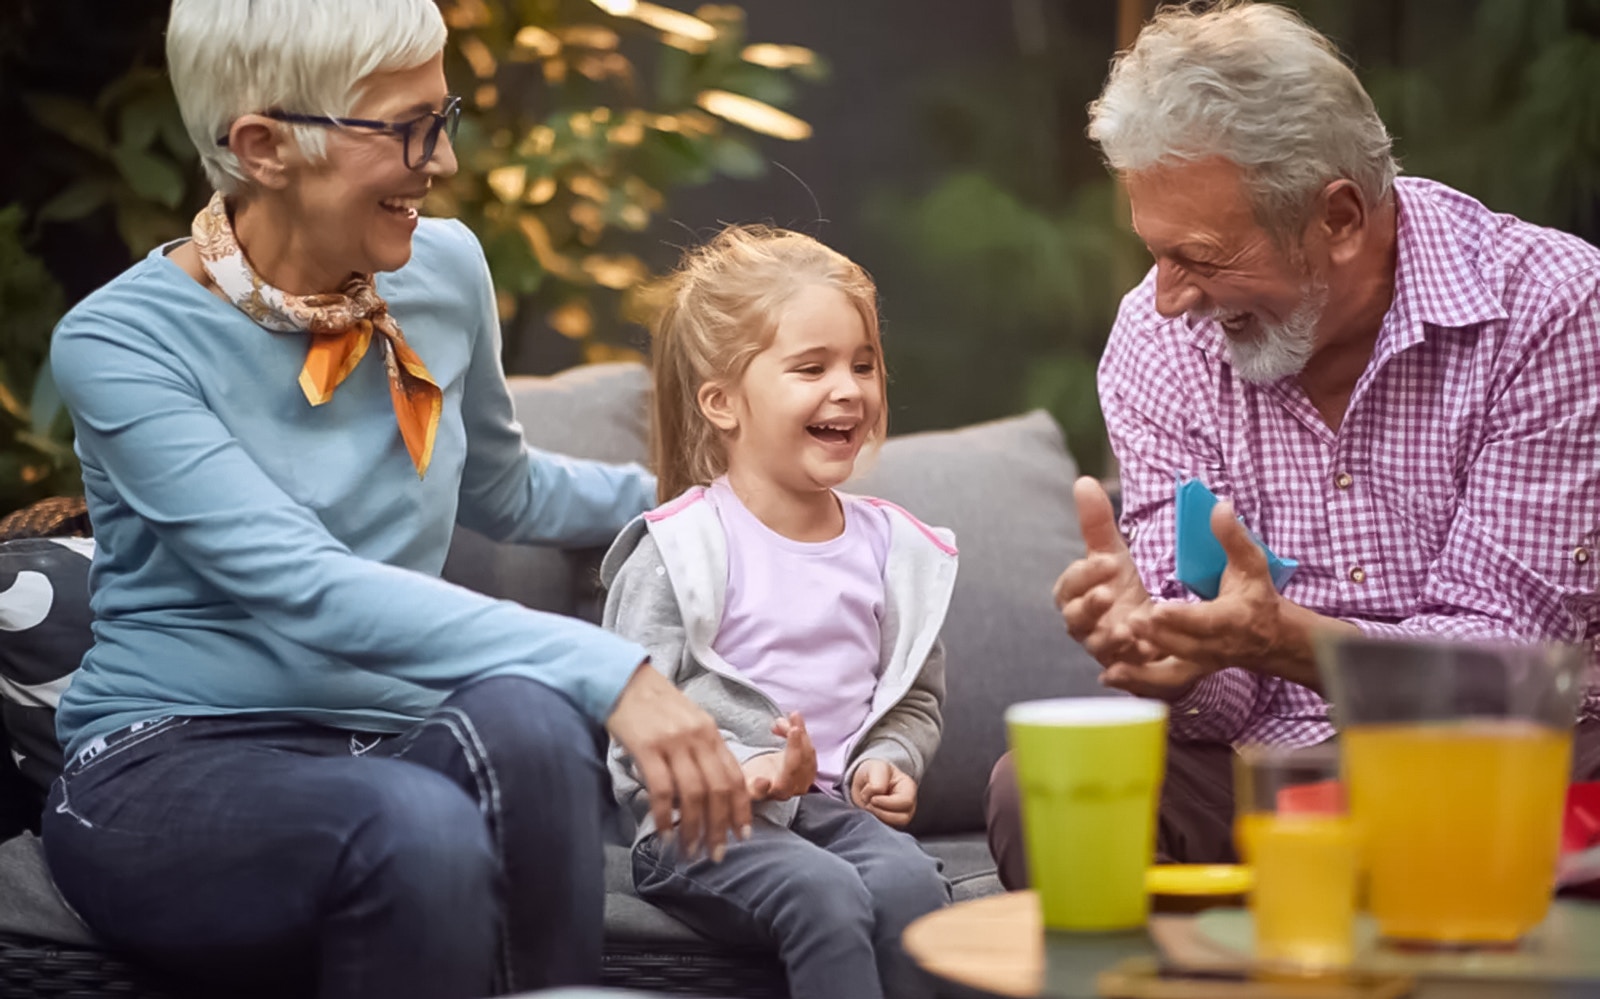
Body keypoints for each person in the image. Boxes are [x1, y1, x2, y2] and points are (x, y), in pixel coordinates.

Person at [40, 2, 751, 996]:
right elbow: (301, 582)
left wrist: (717, 499)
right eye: (409, 127)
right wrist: (616, 672)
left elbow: (505, 488)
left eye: (442, 113)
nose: (446, 160)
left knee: (535, 725)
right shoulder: (121, 345)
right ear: (263, 146)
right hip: (169, 764)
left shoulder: (442, 268)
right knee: (414, 823)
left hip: (395, 743)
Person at [986, 0, 1600, 887]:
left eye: (1198, 257)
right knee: (1038, 791)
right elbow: (1222, 688)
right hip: (1275, 771)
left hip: (1506, 761)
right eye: (1155, 255)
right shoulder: (1157, 346)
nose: (1167, 299)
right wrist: (1175, 656)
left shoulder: (1552, 307)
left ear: (1340, 218)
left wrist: (1283, 639)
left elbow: (1507, 668)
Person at [601, 225, 957, 999]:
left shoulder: (893, 549)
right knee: (822, 895)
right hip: (702, 825)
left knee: (913, 893)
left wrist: (887, 761)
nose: (849, 388)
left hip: (834, 813)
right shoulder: (676, 548)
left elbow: (916, 699)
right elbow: (631, 722)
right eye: (811, 367)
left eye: (863, 364)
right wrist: (746, 769)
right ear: (723, 401)